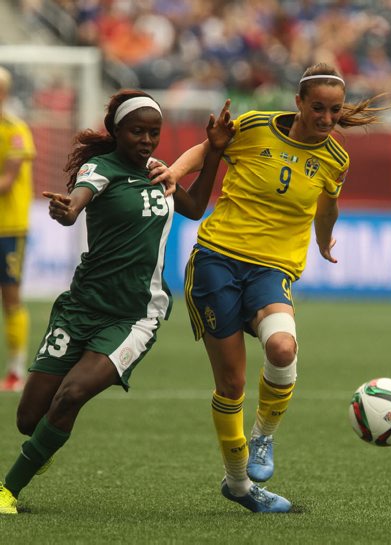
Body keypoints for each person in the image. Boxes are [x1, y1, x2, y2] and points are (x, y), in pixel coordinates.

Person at [0, 89, 234, 515]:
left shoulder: (158, 172)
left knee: (70, 396)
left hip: (135, 316)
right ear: (116, 131)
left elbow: (196, 207)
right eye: (137, 131)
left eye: (153, 133)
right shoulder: (100, 168)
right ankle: (44, 445)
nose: (146, 140)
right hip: (81, 307)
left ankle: (7, 490)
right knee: (29, 420)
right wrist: (68, 210)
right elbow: (79, 198)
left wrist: (214, 151)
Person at [168, 62, 384, 513]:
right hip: (216, 261)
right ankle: (239, 485)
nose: (326, 119)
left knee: (283, 349)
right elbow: (204, 150)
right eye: (318, 108)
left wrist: (324, 242)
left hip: (273, 270)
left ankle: (263, 435)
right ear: (299, 103)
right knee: (231, 385)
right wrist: (173, 173)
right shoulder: (253, 127)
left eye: (334, 111)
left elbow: (328, 208)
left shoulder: (335, 158)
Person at [0, 66, 36, 392]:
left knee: (10, 297)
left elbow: (6, 182)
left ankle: (15, 369)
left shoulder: (15, 131)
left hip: (9, 228)